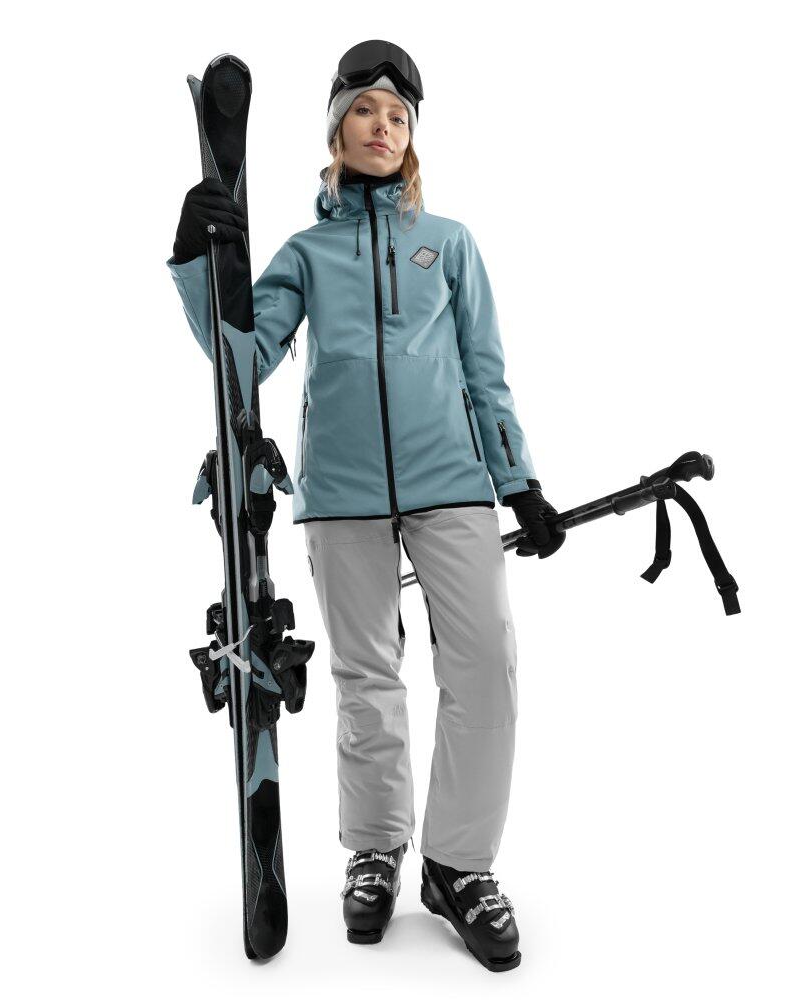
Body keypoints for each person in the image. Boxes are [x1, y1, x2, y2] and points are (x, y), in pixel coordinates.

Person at [168, 39, 564, 973]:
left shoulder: (450, 244)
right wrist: (195, 259)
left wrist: (518, 480)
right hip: (341, 495)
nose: (383, 127)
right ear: (336, 130)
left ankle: (458, 865)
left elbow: (485, 371)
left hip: (453, 483)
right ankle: (376, 849)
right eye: (365, 111)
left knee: (486, 667)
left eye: (398, 116)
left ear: (411, 136)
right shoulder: (308, 254)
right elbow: (240, 361)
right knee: (366, 678)